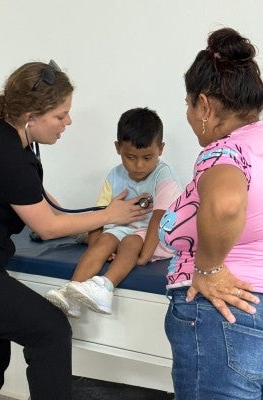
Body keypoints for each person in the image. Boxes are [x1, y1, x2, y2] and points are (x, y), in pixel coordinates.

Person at [0, 61, 151, 400]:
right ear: (30, 116)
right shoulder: (2, 151)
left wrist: (103, 217)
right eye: (61, 115)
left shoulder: (9, 142)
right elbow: (47, 226)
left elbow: (48, 205)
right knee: (49, 329)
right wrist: (110, 215)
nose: (68, 122)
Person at [159, 27, 263, 400]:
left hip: (223, 316)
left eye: (188, 105)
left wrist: (208, 267)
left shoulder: (224, 153)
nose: (188, 115)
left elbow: (226, 203)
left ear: (204, 105)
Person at [46, 107, 182, 318]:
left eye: (147, 158)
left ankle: (105, 287)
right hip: (125, 229)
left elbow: (158, 219)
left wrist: (143, 257)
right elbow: (99, 214)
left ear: (161, 149)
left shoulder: (164, 176)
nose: (138, 165)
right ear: (118, 148)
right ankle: (71, 292)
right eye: (130, 157)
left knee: (130, 242)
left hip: (158, 235)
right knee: (105, 239)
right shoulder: (114, 175)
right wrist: (98, 245)